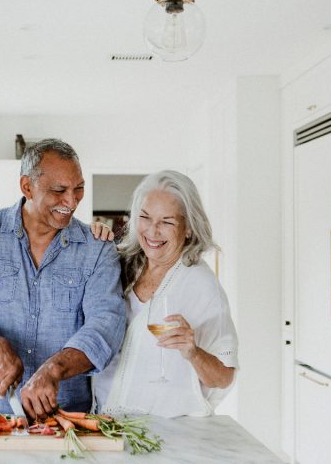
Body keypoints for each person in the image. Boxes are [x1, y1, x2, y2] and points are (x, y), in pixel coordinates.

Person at [0, 138, 126, 419]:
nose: (72, 201)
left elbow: (106, 325)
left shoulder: (97, 247)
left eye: (78, 189)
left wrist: (55, 368)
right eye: (59, 190)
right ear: (27, 186)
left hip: (68, 420)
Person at [92, 170, 239, 418]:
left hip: (164, 432)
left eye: (167, 222)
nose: (152, 231)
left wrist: (193, 352)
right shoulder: (121, 264)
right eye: (145, 217)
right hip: (104, 421)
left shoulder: (201, 286)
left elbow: (223, 377)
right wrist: (91, 239)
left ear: (189, 228)